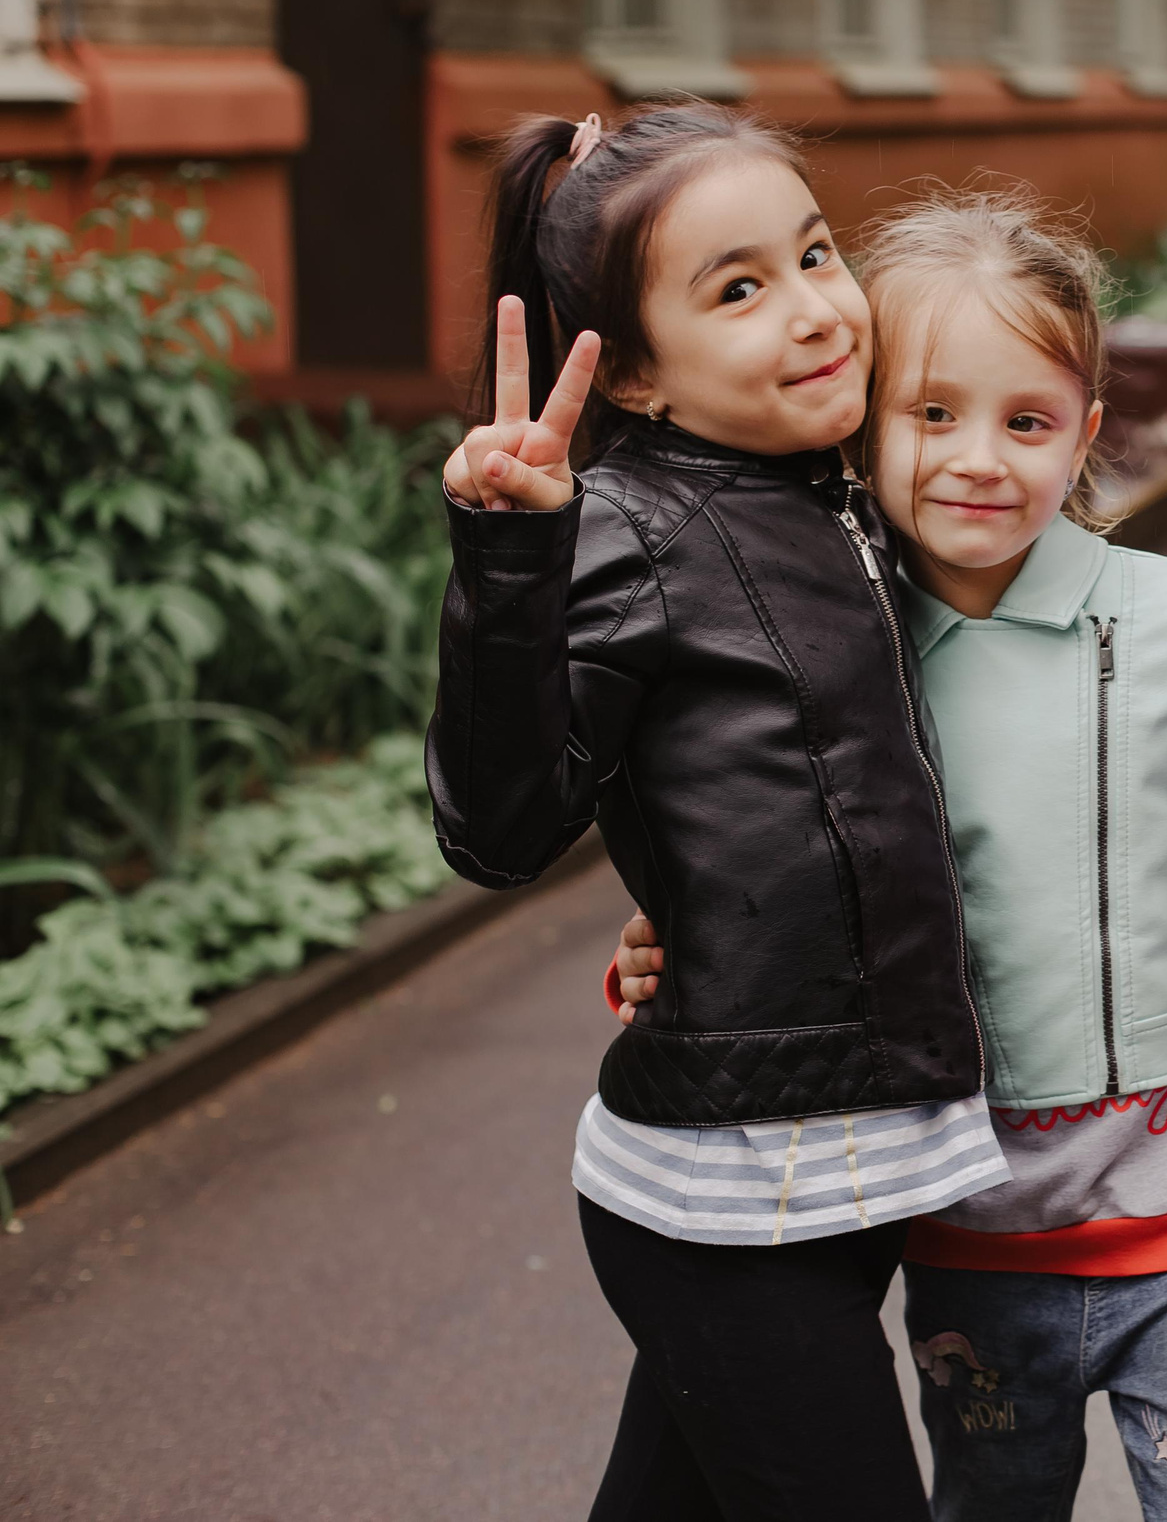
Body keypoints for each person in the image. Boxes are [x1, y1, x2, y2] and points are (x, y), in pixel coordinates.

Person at [606, 190, 1167, 1520]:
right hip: (964, 1220)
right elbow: (780, 861)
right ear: (863, 428)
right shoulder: (833, 647)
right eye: (931, 415)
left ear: (1086, 432)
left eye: (1027, 421)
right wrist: (684, 939)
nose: (980, 459)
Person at [427, 105, 1004, 1522]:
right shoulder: (631, 529)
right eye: (738, 290)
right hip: (733, 1195)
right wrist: (511, 556)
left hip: (836, 1156)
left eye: (814, 254)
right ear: (634, 371)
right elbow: (500, 829)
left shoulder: (834, 491)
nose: (812, 310)